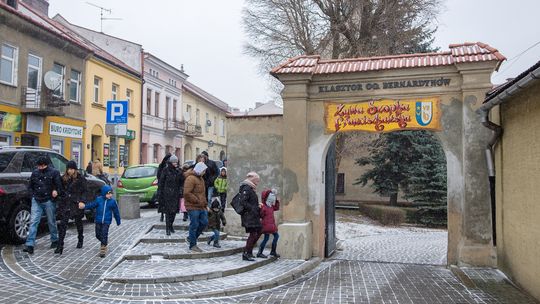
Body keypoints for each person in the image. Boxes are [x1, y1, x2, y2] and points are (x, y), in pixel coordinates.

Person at [23, 156, 63, 255]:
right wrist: (32, 195)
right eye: (39, 166)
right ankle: (30, 245)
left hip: (49, 200)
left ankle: (54, 240)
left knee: (51, 221)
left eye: (42, 166)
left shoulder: (54, 172)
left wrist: (55, 191)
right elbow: (30, 186)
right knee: (33, 222)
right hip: (36, 200)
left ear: (46, 165)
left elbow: (59, 186)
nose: (40, 168)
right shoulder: (35, 173)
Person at [79, 185, 121, 258]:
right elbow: (92, 205)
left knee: (104, 233)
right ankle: (104, 241)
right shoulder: (99, 200)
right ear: (104, 193)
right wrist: (85, 206)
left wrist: (118, 220)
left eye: (111, 193)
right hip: (98, 220)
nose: (110, 195)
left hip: (106, 221)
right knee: (97, 234)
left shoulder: (112, 202)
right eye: (108, 193)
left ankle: (103, 248)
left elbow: (116, 212)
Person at [56, 161, 87, 254]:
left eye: (71, 169)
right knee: (63, 224)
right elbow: (60, 189)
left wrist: (82, 201)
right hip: (66, 203)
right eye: (68, 169)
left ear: (75, 169)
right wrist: (58, 194)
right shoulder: (64, 178)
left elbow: (85, 191)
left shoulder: (81, 178)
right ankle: (60, 245)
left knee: (78, 223)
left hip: (76, 203)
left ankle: (80, 238)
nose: (69, 171)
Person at [183, 162, 208, 252]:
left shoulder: (201, 179)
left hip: (201, 206)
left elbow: (202, 194)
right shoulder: (190, 179)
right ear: (199, 170)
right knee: (194, 225)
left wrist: (205, 203)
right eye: (204, 170)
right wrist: (197, 200)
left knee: (204, 222)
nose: (205, 172)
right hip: (192, 206)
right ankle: (193, 245)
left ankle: (191, 238)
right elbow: (186, 193)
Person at [157, 155, 183, 235]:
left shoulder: (178, 171)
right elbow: (161, 182)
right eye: (174, 162)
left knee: (174, 212)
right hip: (167, 194)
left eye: (176, 162)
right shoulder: (165, 170)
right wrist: (160, 192)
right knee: (168, 212)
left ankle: (171, 225)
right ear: (171, 162)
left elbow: (181, 182)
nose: (176, 163)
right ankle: (167, 228)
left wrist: (181, 173)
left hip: (175, 194)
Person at [239, 171, 262, 261]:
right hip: (249, 216)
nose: (258, 182)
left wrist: (257, 205)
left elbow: (250, 201)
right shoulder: (246, 188)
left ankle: (249, 251)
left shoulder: (251, 188)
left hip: (253, 215)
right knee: (253, 233)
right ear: (252, 179)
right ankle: (246, 253)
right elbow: (243, 202)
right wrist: (253, 208)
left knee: (259, 231)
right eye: (257, 180)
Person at [257, 189, 280, 258]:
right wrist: (260, 208)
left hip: (270, 225)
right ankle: (271, 252)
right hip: (267, 225)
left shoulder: (270, 206)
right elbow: (261, 215)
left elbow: (276, 207)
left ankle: (261, 252)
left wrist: (276, 200)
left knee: (267, 238)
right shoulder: (264, 206)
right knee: (275, 236)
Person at [157, 153, 172, 222]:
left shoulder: (171, 166)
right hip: (162, 186)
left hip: (169, 186)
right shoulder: (161, 166)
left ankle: (167, 215)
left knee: (168, 202)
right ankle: (162, 214)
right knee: (162, 202)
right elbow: (158, 176)